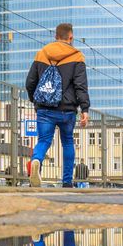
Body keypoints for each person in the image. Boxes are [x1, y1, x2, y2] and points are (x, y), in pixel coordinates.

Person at [25, 23, 90, 188]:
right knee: (67, 142)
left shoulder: (42, 54)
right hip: (67, 110)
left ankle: (36, 161)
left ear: (55, 37)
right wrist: (85, 109)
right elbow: (80, 86)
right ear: (71, 37)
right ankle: (67, 182)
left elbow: (30, 82)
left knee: (44, 140)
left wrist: (36, 101)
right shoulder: (77, 56)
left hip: (45, 108)